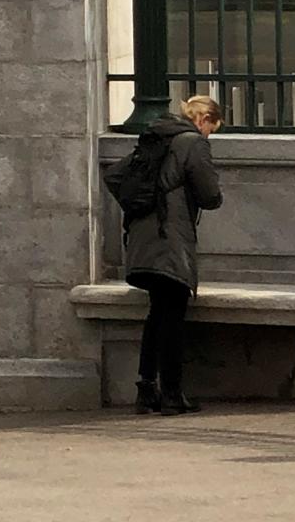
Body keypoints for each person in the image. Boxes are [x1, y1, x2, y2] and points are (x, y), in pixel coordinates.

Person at [104, 94, 223, 415]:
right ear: (203, 120)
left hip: (144, 236)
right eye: (212, 129)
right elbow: (210, 195)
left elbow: (114, 175)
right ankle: (171, 393)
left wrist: (141, 203)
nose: (209, 135)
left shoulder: (156, 138)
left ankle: (146, 389)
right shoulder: (192, 143)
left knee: (157, 313)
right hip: (170, 238)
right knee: (172, 315)